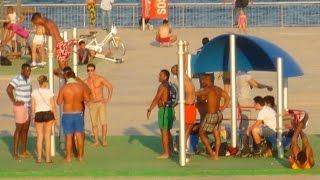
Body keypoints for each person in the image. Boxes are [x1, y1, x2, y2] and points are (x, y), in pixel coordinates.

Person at [57, 67, 91, 162]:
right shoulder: (80, 87)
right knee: (79, 135)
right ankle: (80, 157)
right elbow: (87, 99)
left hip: (67, 114)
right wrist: (79, 99)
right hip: (78, 113)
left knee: (69, 136)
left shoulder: (64, 88)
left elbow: (59, 102)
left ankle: (68, 157)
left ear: (67, 77)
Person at [195, 74, 230, 160]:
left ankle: (211, 153)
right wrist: (222, 108)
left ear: (208, 80)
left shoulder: (208, 89)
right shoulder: (218, 89)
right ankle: (216, 155)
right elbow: (228, 98)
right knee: (216, 134)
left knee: (201, 133)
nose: (202, 81)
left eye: (204, 80)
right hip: (218, 114)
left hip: (211, 115)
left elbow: (196, 94)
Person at [6, 63, 32, 160]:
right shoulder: (17, 78)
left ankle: (23, 151)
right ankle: (15, 153)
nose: (28, 72)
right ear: (22, 71)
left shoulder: (29, 79)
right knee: (19, 129)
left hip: (28, 107)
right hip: (20, 108)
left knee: (25, 130)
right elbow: (9, 89)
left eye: (29, 71)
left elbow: (30, 89)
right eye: (26, 71)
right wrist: (14, 101)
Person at [147, 69, 174, 159]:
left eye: (161, 75)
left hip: (164, 111)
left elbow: (157, 98)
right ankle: (171, 150)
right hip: (170, 110)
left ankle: (166, 153)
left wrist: (150, 109)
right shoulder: (170, 85)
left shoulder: (162, 86)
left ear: (165, 77)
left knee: (164, 132)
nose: (159, 77)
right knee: (168, 131)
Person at [84, 63, 113, 147]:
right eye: (88, 70)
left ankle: (104, 140)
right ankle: (96, 141)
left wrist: (108, 99)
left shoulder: (99, 79)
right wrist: (86, 102)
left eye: (91, 70)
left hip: (100, 103)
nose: (90, 72)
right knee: (94, 124)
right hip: (92, 104)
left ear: (94, 70)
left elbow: (110, 87)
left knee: (103, 123)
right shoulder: (85, 82)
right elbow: (81, 93)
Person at [31, 75, 57, 163]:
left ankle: (38, 158)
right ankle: (48, 159)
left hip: (38, 114)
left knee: (39, 138)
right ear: (45, 82)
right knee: (47, 138)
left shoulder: (34, 92)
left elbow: (33, 105)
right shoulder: (49, 92)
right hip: (48, 114)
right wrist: (55, 117)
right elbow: (53, 105)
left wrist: (33, 117)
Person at [171, 64, 196, 151]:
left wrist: (185, 52)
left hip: (192, 105)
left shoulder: (184, 76)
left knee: (190, 126)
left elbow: (184, 62)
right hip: (188, 105)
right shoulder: (180, 77)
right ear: (177, 71)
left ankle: (183, 143)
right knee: (186, 126)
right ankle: (183, 144)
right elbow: (183, 63)